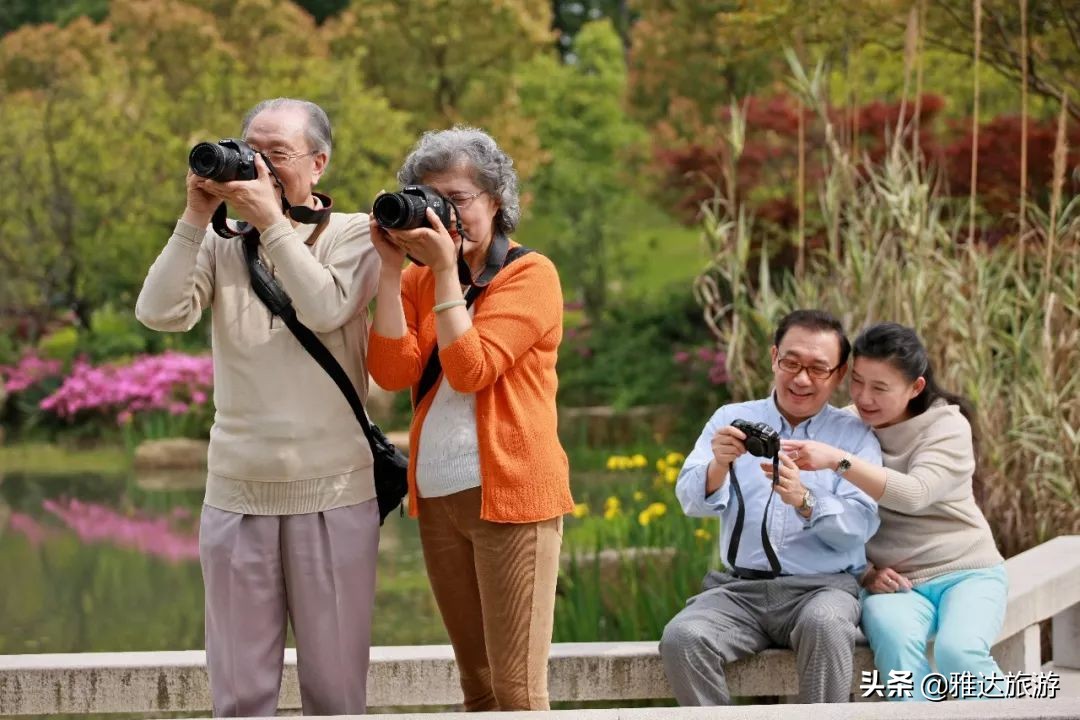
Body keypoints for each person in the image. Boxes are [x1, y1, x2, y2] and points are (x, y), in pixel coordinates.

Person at [135, 98, 382, 716]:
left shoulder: (354, 234)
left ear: (319, 163)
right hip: (236, 494)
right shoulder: (222, 243)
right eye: (251, 150)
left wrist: (271, 221)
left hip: (333, 494)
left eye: (277, 154)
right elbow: (160, 313)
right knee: (240, 697)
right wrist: (196, 213)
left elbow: (326, 310)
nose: (260, 166)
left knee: (335, 694)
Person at [366, 127, 573, 711]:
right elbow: (388, 369)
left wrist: (443, 276)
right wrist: (389, 270)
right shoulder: (414, 278)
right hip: (437, 498)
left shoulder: (530, 276)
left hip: (512, 497)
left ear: (497, 201)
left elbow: (470, 369)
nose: (442, 213)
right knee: (477, 688)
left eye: (456, 200)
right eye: (428, 198)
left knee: (516, 691)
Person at [660, 309, 882, 705]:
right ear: (773, 356)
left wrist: (805, 500)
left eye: (818, 368)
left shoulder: (855, 438)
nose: (801, 378)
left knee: (827, 625)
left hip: (822, 589)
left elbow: (861, 525)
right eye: (791, 362)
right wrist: (718, 465)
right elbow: (690, 500)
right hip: (739, 590)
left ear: (839, 374)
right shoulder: (731, 418)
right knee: (683, 638)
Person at [783, 322, 1006, 701]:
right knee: (896, 651)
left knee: (959, 653)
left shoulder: (946, 426)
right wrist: (866, 573)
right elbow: (822, 509)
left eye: (880, 388)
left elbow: (914, 494)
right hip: (895, 583)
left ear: (915, 387)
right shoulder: (846, 426)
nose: (864, 398)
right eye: (857, 382)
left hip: (967, 573)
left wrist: (839, 460)